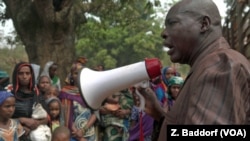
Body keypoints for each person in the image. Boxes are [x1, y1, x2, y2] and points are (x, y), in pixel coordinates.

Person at [138, 0, 250, 141]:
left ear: (204, 24)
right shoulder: (206, 66)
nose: (163, 33)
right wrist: (159, 115)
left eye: (172, 23)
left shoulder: (218, 66)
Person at [9, 62, 48, 141]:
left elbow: (47, 118)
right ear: (16, 75)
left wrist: (34, 124)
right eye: (21, 73)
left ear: (31, 75)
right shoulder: (9, 96)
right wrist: (22, 120)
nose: (24, 76)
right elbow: (3, 118)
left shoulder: (37, 95)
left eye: (27, 73)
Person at [59, 61, 97, 141]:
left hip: (90, 134)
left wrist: (83, 130)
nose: (79, 75)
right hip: (73, 134)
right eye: (76, 73)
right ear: (71, 76)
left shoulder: (91, 91)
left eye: (81, 73)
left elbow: (95, 113)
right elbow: (66, 116)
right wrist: (79, 136)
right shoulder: (66, 92)